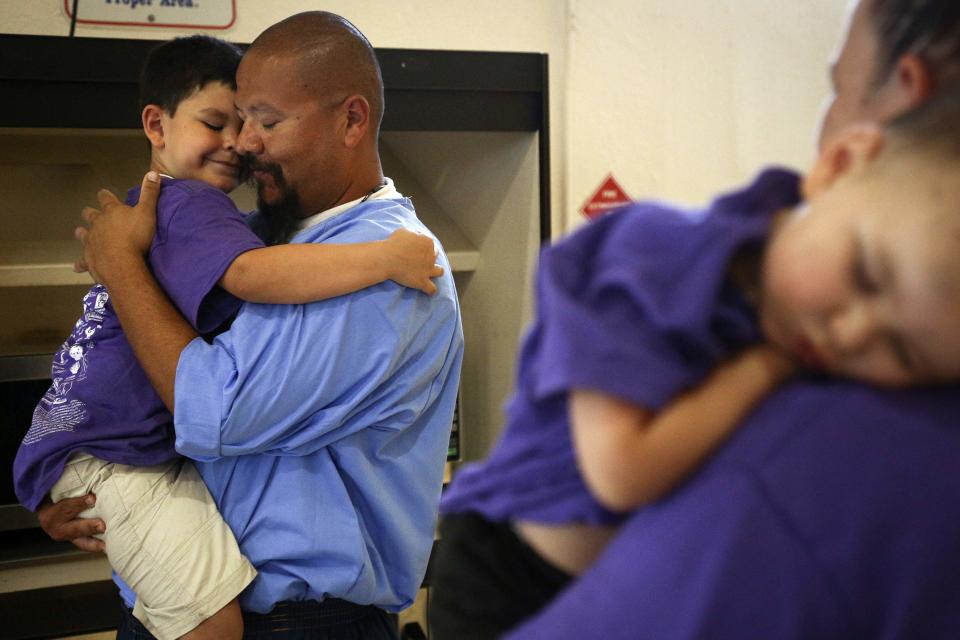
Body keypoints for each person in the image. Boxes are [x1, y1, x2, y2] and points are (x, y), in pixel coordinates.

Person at [454, 1, 960, 637]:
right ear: (839, 163)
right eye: (865, 273)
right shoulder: (651, 255)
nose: (851, 334)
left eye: (904, 353)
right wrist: (765, 369)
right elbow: (622, 472)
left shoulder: (826, 309)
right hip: (508, 569)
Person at [39, 12, 463, 640]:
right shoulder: (269, 236)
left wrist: (123, 264)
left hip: (300, 623)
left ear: (352, 120)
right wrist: (96, 481)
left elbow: (213, 411)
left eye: (265, 121)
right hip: (179, 602)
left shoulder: (389, 266)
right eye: (235, 119)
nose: (245, 143)